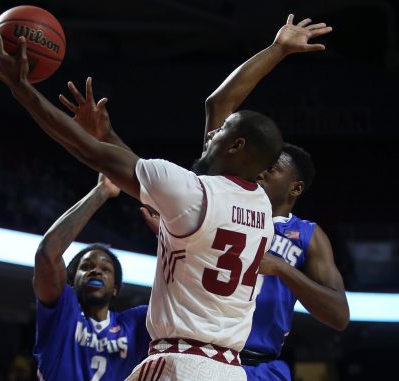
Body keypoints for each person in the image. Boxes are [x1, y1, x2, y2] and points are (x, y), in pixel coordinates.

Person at [0, 24, 282, 380]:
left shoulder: (193, 193)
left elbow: (88, 151)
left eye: (224, 130)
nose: (214, 132)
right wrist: (108, 136)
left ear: (236, 147)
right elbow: (176, 180)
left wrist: (21, 87)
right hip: (228, 370)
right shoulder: (260, 207)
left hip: (181, 364)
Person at [126, 14, 347, 381]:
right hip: (198, 354)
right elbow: (217, 105)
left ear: (295, 188)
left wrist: (282, 268)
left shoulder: (307, 235)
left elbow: (339, 315)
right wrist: (276, 50)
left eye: (273, 168)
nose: (261, 168)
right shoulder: (218, 188)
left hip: (259, 363)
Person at [33, 174, 149, 381]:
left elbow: (179, 301)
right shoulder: (62, 312)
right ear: (70, 281)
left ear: (115, 288)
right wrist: (101, 191)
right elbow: (47, 254)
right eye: (86, 267)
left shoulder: (135, 323)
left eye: (106, 269)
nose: (96, 271)